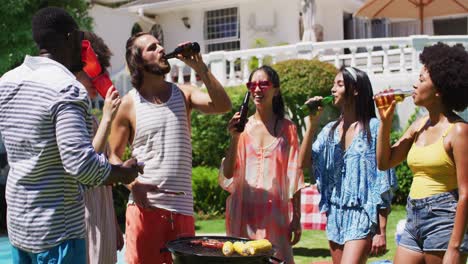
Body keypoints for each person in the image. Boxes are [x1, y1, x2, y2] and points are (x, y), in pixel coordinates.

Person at [0, 7, 141, 263]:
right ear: (71, 38)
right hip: (58, 233)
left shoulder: (6, 82)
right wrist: (123, 173)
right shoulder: (66, 88)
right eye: (81, 40)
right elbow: (81, 166)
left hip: (20, 226)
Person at [108, 32, 232, 264]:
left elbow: (223, 105)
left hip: (183, 209)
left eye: (160, 44)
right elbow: (113, 155)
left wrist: (201, 67)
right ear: (139, 61)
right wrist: (133, 185)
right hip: (145, 210)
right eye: (152, 48)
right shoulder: (128, 104)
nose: (161, 49)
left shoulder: (184, 93)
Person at [376, 42, 468, 264]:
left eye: (421, 80)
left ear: (439, 90)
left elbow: (466, 192)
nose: (414, 85)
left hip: (444, 219)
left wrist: (454, 248)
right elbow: (384, 162)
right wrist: (385, 121)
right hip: (413, 218)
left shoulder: (458, 130)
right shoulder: (418, 125)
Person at [299, 67, 397, 264]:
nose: (333, 89)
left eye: (339, 84)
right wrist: (312, 123)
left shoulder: (374, 128)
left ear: (355, 90)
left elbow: (383, 178)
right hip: (335, 213)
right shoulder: (329, 131)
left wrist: (381, 229)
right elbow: (303, 162)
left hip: (363, 214)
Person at [220, 65, 304, 263]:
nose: (257, 89)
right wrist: (234, 137)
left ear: (276, 90)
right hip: (243, 214)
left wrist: (297, 217)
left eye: (263, 84)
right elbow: (229, 173)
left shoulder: (287, 129)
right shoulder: (243, 127)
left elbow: (295, 175)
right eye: (252, 84)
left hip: (275, 216)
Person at [75, 31, 124, 264]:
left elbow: (104, 175)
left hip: (101, 216)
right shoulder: (72, 116)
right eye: (93, 72)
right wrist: (107, 118)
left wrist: (114, 223)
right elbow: (86, 167)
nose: (98, 80)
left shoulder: (91, 117)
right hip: (85, 219)